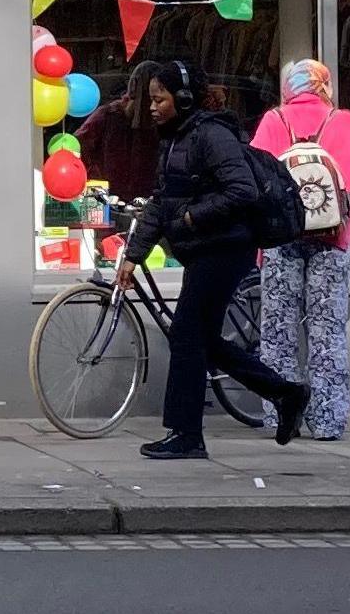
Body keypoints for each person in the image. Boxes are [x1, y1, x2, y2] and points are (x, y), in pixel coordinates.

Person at [113, 62, 309, 459]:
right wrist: (133, 255)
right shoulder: (174, 139)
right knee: (199, 339)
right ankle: (286, 393)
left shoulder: (211, 135)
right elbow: (160, 201)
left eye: (159, 99)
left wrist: (191, 217)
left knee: (186, 336)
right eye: (151, 99)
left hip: (225, 248)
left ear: (182, 99)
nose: (151, 107)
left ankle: (186, 435)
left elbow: (243, 190)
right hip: (203, 249)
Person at [245, 59, 350, 441]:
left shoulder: (273, 120)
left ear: (289, 87)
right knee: (327, 328)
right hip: (332, 235)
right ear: (324, 85)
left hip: (281, 237)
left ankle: (279, 413)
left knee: (277, 330)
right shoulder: (343, 120)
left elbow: (254, 172)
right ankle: (327, 420)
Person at [74, 60, 165, 204]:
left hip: (143, 201)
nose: (152, 105)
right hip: (105, 199)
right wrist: (93, 176)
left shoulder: (160, 122)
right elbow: (77, 145)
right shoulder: (108, 115)